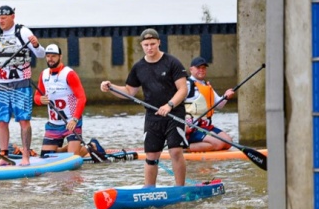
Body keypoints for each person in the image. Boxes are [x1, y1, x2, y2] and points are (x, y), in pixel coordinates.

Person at [100, 28, 189, 186]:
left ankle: (180, 188)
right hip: (153, 116)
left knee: (175, 151)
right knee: (151, 155)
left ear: (159, 43)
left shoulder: (172, 62)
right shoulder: (139, 67)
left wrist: (169, 105)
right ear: (142, 45)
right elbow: (129, 92)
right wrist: (110, 87)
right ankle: (148, 189)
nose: (150, 48)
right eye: (146, 44)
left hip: (173, 114)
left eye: (153, 44)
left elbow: (183, 89)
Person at [0, 5, 45, 166]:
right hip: (2, 85)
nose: (1, 21)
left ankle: (26, 156)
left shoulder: (23, 32)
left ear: (12, 17)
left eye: (4, 18)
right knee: (2, 121)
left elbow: (41, 54)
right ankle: (4, 156)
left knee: (23, 120)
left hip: (21, 84)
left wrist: (36, 45)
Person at [34, 43, 88, 159]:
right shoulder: (44, 74)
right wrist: (40, 100)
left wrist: (74, 119)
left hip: (70, 123)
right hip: (53, 124)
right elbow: (36, 97)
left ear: (60, 57)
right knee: (46, 158)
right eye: (48, 56)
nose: (50, 59)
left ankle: (90, 147)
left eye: (53, 56)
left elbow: (82, 98)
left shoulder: (69, 74)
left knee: (72, 158)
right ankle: (80, 148)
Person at [184, 56, 237, 153]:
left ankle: (208, 146)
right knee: (218, 144)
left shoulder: (207, 86)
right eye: (198, 68)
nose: (201, 70)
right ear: (191, 69)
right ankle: (184, 148)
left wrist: (226, 96)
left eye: (203, 68)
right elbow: (175, 105)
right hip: (192, 128)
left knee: (228, 142)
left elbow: (219, 105)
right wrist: (183, 125)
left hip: (205, 126)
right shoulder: (187, 85)